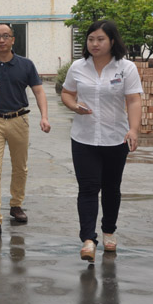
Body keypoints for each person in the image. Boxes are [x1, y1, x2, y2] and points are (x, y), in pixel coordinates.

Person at [61, 20, 142, 262]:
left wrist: (134, 129)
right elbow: (67, 93)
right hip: (83, 138)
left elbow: (134, 100)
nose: (94, 44)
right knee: (87, 188)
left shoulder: (126, 68)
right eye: (91, 39)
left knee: (111, 188)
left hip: (116, 138)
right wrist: (74, 106)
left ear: (112, 41)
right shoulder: (78, 67)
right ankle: (88, 239)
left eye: (100, 39)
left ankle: (109, 232)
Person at [0, 24, 51, 235]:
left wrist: (44, 117)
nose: (2, 40)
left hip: (19, 120)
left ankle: (16, 204)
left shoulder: (26, 64)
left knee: (20, 167)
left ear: (13, 39)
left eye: (6, 36)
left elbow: (39, 91)